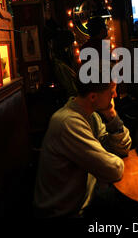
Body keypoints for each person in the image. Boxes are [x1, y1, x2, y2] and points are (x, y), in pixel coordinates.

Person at [33, 69, 132, 218]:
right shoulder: (68, 123)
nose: (115, 96)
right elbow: (113, 169)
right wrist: (109, 158)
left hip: (88, 200)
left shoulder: (91, 117)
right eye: (112, 93)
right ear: (93, 96)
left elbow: (121, 149)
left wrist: (112, 115)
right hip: (65, 214)